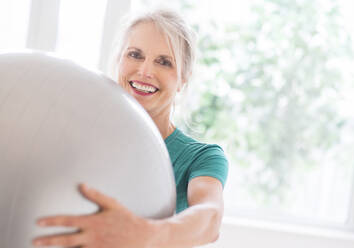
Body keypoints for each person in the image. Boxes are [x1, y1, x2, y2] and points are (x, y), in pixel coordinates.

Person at [33, 9, 228, 248]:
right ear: (119, 60)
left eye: (164, 62)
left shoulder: (201, 158)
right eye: (135, 55)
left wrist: (143, 234)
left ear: (182, 79)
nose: (145, 71)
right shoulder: (80, 134)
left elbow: (210, 219)